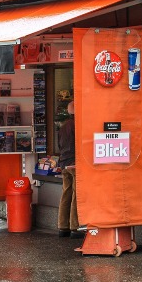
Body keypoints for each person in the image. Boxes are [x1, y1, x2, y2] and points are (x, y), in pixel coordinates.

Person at [57, 101, 84, 239]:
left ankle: (63, 226)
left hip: (63, 162)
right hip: (75, 162)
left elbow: (59, 145)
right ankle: (75, 226)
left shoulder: (63, 127)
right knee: (76, 193)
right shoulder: (78, 125)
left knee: (66, 192)